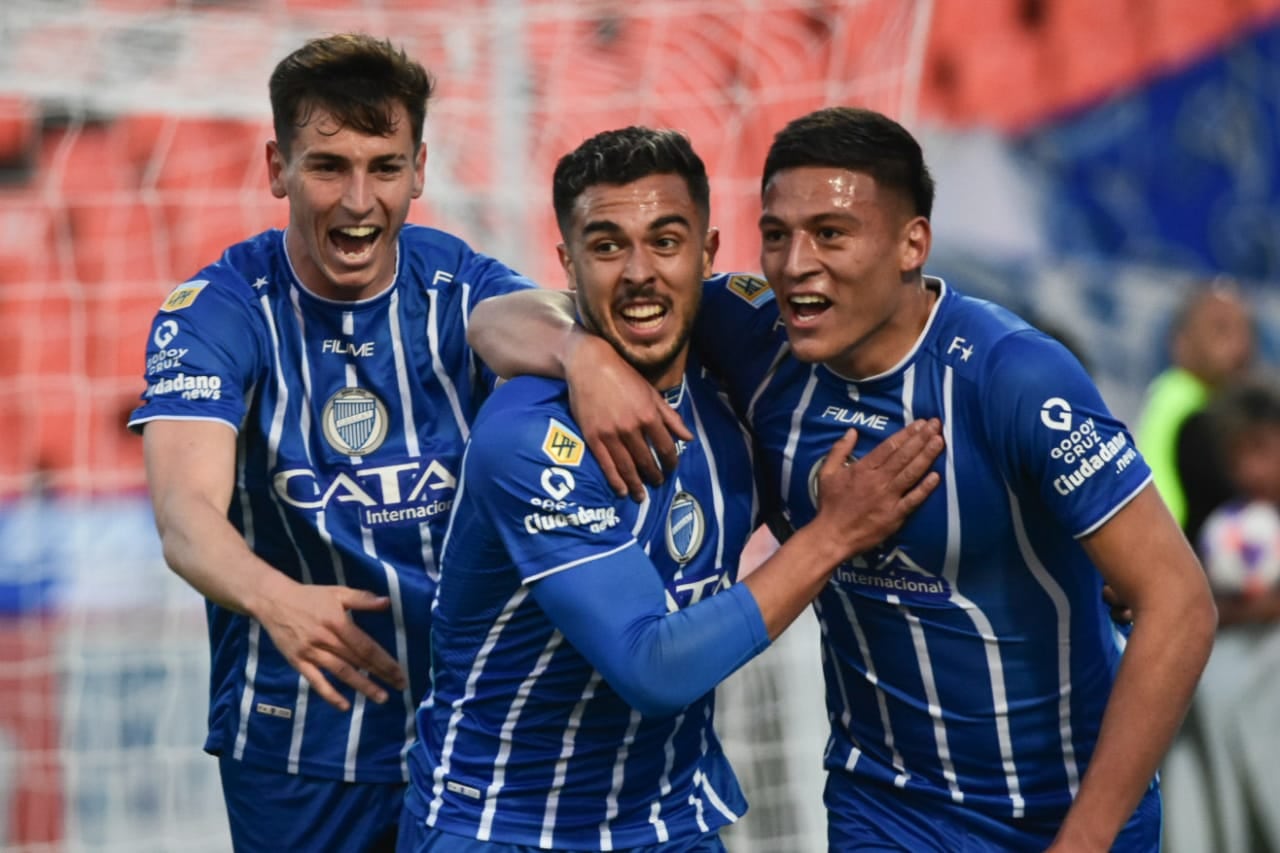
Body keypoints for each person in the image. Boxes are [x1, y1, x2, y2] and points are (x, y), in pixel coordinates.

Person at [470, 107, 1217, 851]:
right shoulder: (755, 336)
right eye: (777, 235)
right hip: (883, 807)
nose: (796, 265)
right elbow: (492, 317)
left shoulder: (1011, 376)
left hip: (1064, 809)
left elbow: (1180, 602)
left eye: (830, 233)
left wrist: (1084, 842)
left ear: (911, 243)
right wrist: (580, 355)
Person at [398, 126, 943, 852]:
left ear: (710, 254)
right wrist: (835, 533)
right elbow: (651, 667)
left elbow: (907, 333)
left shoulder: (735, 376)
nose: (638, 272)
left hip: (671, 823)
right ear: (566, 264)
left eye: (665, 240)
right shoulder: (526, 438)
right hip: (506, 826)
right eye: (606, 245)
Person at [128, 34, 544, 852]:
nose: (359, 200)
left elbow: (532, 324)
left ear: (419, 170)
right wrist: (279, 598)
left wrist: (583, 356)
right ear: (278, 168)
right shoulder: (219, 309)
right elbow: (184, 515)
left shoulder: (459, 284)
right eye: (329, 166)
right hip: (296, 744)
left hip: (465, 735)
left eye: (384, 167)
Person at [1135, 281, 1254, 531]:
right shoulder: (1183, 407)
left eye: (1246, 330)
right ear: (1182, 343)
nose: (1240, 345)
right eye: (1220, 329)